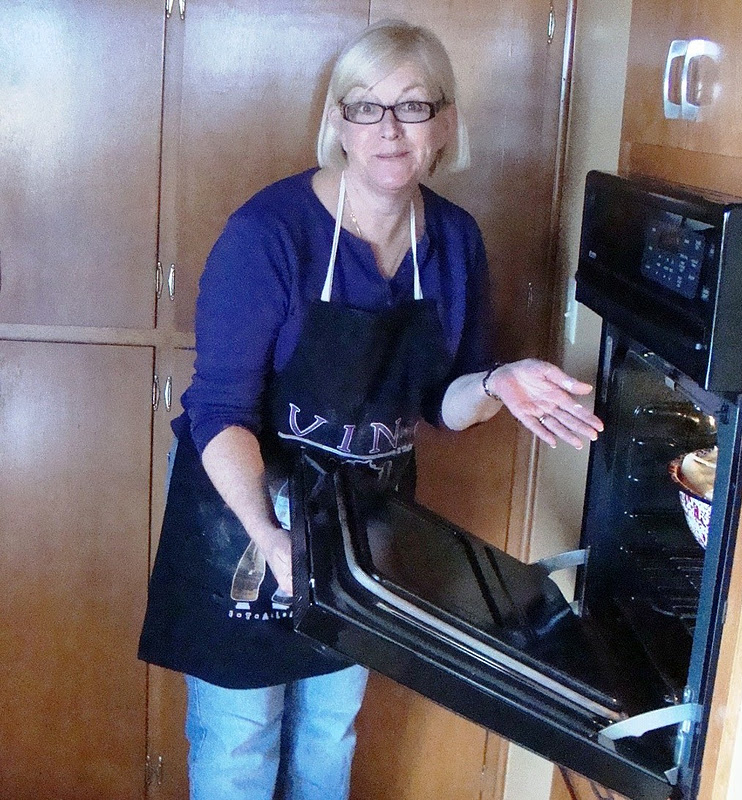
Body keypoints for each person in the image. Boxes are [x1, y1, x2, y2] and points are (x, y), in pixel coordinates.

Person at [138, 18, 603, 800]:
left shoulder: (452, 240)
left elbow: (442, 403)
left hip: (362, 526)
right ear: (337, 122)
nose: (389, 128)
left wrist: (495, 383)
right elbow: (218, 411)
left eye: (413, 106)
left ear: (444, 125)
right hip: (242, 520)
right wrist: (270, 536)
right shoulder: (268, 235)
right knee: (240, 740)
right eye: (365, 106)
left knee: (329, 730)